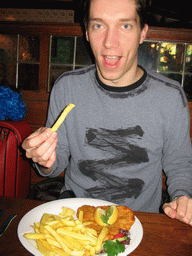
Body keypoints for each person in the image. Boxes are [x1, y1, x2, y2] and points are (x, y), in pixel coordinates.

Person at [22, 0, 192, 225]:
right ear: (87, 33)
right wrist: (43, 159)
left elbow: (179, 162)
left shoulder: (170, 97)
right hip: (75, 220)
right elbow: (53, 167)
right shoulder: (66, 87)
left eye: (125, 26)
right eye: (99, 26)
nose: (110, 43)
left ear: (143, 32)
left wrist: (182, 197)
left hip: (138, 223)